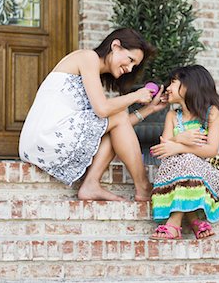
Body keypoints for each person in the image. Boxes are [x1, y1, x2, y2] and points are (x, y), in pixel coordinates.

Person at [19, 28, 167, 202]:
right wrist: (135, 96)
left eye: (134, 66)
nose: (130, 68)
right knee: (116, 113)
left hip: (41, 142)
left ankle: (91, 185)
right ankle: (144, 187)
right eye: (130, 60)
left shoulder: (93, 73)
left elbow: (116, 124)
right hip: (47, 137)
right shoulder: (87, 57)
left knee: (114, 120)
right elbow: (103, 110)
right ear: (116, 46)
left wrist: (149, 109)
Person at [149, 65, 219, 240]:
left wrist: (179, 147)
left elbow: (211, 150)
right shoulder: (172, 116)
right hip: (175, 172)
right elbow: (164, 148)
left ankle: (174, 223)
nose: (168, 88)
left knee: (189, 159)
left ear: (189, 85)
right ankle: (194, 219)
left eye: (173, 83)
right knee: (185, 160)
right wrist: (180, 138)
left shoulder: (211, 112)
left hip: (207, 173)